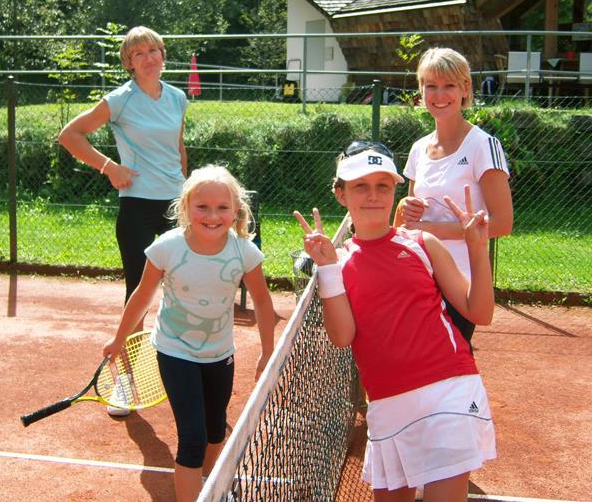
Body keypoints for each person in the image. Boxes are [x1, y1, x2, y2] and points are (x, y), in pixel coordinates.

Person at [295, 141, 496, 501]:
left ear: (395, 191)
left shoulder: (423, 243)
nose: (373, 196)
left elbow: (479, 311)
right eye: (361, 186)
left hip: (449, 390)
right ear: (341, 194)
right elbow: (343, 337)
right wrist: (326, 269)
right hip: (388, 405)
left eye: (383, 186)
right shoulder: (337, 264)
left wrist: (477, 249)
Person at [103, 165, 275, 502]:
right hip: (174, 351)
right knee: (193, 437)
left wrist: (267, 351)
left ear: (236, 210)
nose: (212, 215)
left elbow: (263, 302)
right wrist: (119, 337)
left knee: (215, 431)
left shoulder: (244, 251)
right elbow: (141, 295)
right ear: (186, 207)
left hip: (219, 353)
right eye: (203, 207)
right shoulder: (167, 247)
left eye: (222, 208)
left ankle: (210, 488)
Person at [59, 26, 188, 414]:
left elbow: (178, 149)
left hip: (176, 205)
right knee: (139, 293)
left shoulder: (178, 98)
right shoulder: (119, 100)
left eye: (154, 50)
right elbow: (70, 135)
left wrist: (185, 188)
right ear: (128, 63)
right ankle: (126, 383)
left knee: (187, 285)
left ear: (163, 55)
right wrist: (108, 166)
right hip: (135, 207)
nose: (148, 58)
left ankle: (185, 370)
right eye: (139, 54)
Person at [396, 47, 513, 350]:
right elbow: (410, 220)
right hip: (418, 278)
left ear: (464, 89)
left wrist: (434, 230)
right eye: (430, 85)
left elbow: (502, 223)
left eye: (449, 85)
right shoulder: (418, 148)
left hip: (461, 282)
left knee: (449, 365)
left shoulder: (483, 146)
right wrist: (404, 209)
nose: (439, 94)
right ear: (420, 90)